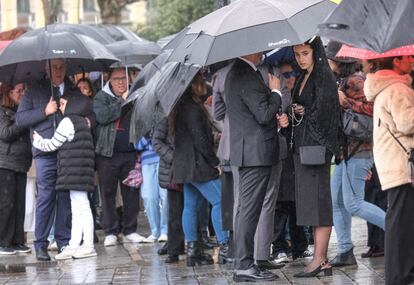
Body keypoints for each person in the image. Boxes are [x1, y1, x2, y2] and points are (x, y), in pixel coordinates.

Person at [16, 58, 86, 261]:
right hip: (44, 152)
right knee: (46, 196)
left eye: (62, 67)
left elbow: (85, 112)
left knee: (65, 195)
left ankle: (64, 241)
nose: (58, 70)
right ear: (46, 68)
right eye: (54, 67)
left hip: (68, 151)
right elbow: (21, 119)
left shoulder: (72, 90)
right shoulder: (34, 90)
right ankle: (41, 243)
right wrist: (44, 111)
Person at [326, 41, 386, 267]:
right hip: (345, 152)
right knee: (338, 201)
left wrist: (347, 102)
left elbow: (373, 109)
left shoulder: (357, 81)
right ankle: (344, 250)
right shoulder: (342, 81)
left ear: (339, 61)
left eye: (330, 58)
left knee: (354, 204)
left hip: (359, 151)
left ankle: (399, 230)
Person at [225, 52, 282, 282]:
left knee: (246, 210)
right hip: (254, 153)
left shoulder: (239, 72)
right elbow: (264, 113)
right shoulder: (244, 74)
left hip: (250, 151)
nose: (262, 52)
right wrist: (276, 91)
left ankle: (244, 262)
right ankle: (244, 264)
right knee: (248, 210)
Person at [290, 37, 340, 277]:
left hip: (317, 148)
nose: (300, 58)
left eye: (305, 53)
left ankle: (320, 259)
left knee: (319, 202)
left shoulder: (323, 76)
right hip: (303, 146)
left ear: (315, 51)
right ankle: (321, 259)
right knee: (311, 203)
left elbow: (326, 113)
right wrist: (293, 112)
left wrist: (304, 110)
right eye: (297, 53)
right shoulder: (303, 76)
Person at [170, 72, 229, 267]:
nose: (205, 84)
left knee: (191, 206)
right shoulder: (193, 108)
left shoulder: (180, 107)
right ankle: (225, 247)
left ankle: (193, 252)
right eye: (201, 81)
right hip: (197, 165)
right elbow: (201, 141)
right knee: (219, 200)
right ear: (193, 84)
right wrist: (214, 162)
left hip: (185, 165)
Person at [364, 55, 414, 285]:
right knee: (401, 221)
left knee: (399, 219)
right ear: (395, 61)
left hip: (392, 162)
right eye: (408, 57)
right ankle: (399, 275)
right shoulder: (397, 88)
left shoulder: (385, 87)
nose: (412, 60)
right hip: (402, 163)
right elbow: (407, 123)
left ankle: (400, 273)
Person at [32, 93, 96, 260]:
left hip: (75, 172)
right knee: (78, 208)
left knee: (81, 208)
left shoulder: (67, 122)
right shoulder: (83, 121)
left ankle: (88, 245)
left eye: (62, 103)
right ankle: (74, 244)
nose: (60, 107)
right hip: (81, 172)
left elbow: (53, 144)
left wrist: (37, 141)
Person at [93, 67, 143, 246]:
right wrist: (122, 102)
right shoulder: (101, 97)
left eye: (124, 78)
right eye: (117, 79)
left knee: (131, 192)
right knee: (107, 193)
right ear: (110, 80)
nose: (122, 82)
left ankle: (130, 229)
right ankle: (111, 231)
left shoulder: (134, 95)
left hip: (130, 152)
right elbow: (103, 116)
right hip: (107, 153)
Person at [272, 62, 312, 263]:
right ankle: (278, 246)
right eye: (285, 74)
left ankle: (300, 246)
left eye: (292, 73)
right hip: (280, 155)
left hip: (296, 155)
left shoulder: (298, 93)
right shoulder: (275, 94)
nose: (290, 77)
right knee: (280, 204)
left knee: (297, 202)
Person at [0, 83, 32, 255]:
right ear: (9, 92)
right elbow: (5, 133)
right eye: (18, 91)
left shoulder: (21, 112)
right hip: (5, 163)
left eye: (23, 91)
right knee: (6, 204)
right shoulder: (2, 110)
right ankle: (3, 241)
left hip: (21, 162)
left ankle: (17, 240)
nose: (22, 94)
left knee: (20, 203)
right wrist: (23, 120)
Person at [152, 117, 185, 263]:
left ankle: (193, 243)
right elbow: (157, 142)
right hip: (172, 169)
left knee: (192, 208)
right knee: (175, 210)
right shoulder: (165, 117)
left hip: (189, 166)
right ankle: (174, 248)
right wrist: (174, 157)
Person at [135, 136, 168, 243]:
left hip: (165, 157)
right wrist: (148, 136)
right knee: (148, 197)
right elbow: (136, 145)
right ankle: (155, 231)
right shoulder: (139, 120)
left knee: (166, 195)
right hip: (147, 160)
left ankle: (165, 231)